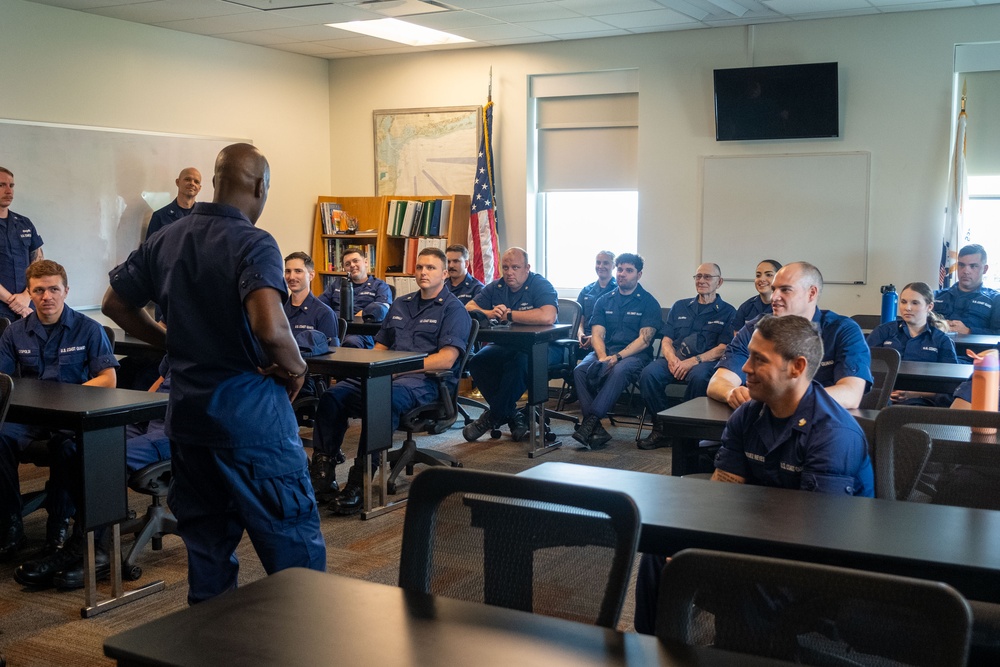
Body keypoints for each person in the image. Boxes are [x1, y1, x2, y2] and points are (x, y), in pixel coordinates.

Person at [102, 143, 326, 604]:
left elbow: (114, 304)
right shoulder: (255, 242)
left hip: (189, 421)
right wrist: (297, 367)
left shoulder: (167, 237)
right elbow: (270, 325)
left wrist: (170, 341)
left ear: (215, 180)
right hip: (252, 423)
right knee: (296, 559)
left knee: (207, 555)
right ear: (261, 186)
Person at [634, 314, 875, 635]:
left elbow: (815, 539)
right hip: (765, 533)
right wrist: (691, 539)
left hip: (825, 564)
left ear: (797, 367)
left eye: (759, 360)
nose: (745, 368)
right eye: (748, 356)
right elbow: (723, 493)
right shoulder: (748, 414)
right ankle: (654, 647)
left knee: (746, 581)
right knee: (659, 548)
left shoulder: (833, 434)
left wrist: (721, 556)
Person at [313, 247, 471, 515]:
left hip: (424, 383)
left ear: (444, 273)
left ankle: (359, 484)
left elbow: (445, 359)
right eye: (420, 267)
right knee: (333, 396)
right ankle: (322, 477)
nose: (423, 272)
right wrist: (375, 367)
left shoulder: (454, 310)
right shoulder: (401, 303)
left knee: (381, 402)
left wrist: (399, 368)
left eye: (431, 268)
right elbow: (381, 348)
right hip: (385, 375)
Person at [0, 260, 117, 574]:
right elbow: (3, 379)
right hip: (30, 418)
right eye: (39, 290)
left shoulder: (88, 329)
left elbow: (108, 379)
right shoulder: (15, 333)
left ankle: (58, 528)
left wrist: (70, 395)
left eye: (54, 289)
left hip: (70, 417)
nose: (46, 296)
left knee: (67, 449)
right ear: (31, 293)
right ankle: (11, 524)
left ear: (66, 291)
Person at [705, 261, 872, 412]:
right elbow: (717, 382)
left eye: (785, 290)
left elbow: (851, 394)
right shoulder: (755, 328)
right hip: (764, 423)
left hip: (820, 426)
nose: (774, 297)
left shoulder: (842, 330)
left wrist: (783, 400)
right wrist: (732, 392)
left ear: (811, 293)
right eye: (774, 289)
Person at [462, 247, 559, 442]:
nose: (509, 272)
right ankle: (513, 415)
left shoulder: (540, 284)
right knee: (478, 362)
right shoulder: (497, 287)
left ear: (527, 268)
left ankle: (491, 417)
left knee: (519, 364)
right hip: (508, 345)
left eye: (515, 267)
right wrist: (488, 313)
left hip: (543, 347)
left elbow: (548, 316)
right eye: (505, 267)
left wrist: (510, 315)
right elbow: (469, 307)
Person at [637, 263, 736, 449]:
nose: (701, 281)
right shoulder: (680, 306)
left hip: (705, 362)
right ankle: (662, 428)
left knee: (700, 377)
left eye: (707, 277)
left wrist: (693, 361)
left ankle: (686, 430)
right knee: (648, 373)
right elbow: (667, 339)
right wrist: (671, 358)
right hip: (675, 358)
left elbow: (723, 348)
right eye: (698, 276)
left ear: (719, 282)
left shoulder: (728, 311)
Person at [571, 253, 660, 449]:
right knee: (580, 370)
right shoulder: (603, 300)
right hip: (606, 352)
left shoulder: (648, 302)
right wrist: (603, 358)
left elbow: (644, 341)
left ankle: (590, 423)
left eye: (629, 270)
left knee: (619, 370)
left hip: (635, 356)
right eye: (620, 269)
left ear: (639, 274)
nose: (622, 274)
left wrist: (616, 358)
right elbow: (597, 334)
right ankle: (595, 429)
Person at [867, 281, 957, 406]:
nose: (907, 308)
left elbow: (949, 387)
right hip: (881, 396)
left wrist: (913, 393)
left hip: (920, 402)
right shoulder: (883, 332)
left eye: (915, 303)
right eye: (903, 302)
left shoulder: (941, 340)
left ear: (929, 306)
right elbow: (865, 366)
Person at [317, 248, 392, 348]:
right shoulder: (337, 285)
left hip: (362, 333)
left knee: (351, 342)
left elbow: (383, 309)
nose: (352, 265)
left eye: (355, 261)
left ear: (365, 262)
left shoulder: (379, 286)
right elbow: (319, 306)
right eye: (347, 264)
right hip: (335, 328)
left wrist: (364, 313)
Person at [0, 166, 44, 322]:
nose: (8, 191)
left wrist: (27, 295)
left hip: (27, 306)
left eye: (11, 185)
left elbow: (39, 262)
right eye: (1, 185)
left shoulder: (24, 223)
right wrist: (13, 302)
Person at [934, 243, 1000, 335]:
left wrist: (969, 331)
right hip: (936, 347)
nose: (965, 271)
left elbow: (998, 334)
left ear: (985, 269)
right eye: (961, 265)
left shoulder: (995, 300)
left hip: (975, 349)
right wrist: (937, 326)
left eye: (973, 266)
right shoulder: (936, 296)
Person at [144, 167, 202, 240]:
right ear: (178, 182)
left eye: (196, 182)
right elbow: (151, 249)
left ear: (199, 188)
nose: (192, 183)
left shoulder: (204, 219)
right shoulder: (160, 216)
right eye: (187, 179)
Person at [576, 250, 617, 351]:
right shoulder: (586, 290)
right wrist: (580, 334)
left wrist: (595, 337)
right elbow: (579, 319)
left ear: (613, 266)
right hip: (584, 339)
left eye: (605, 263)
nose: (600, 266)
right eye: (598, 262)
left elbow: (618, 325)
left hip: (607, 340)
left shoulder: (618, 291)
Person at [730, 259, 781, 333]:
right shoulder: (746, 307)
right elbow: (737, 341)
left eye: (769, 275)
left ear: (779, 278)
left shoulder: (785, 306)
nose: (762, 279)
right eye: (758, 275)